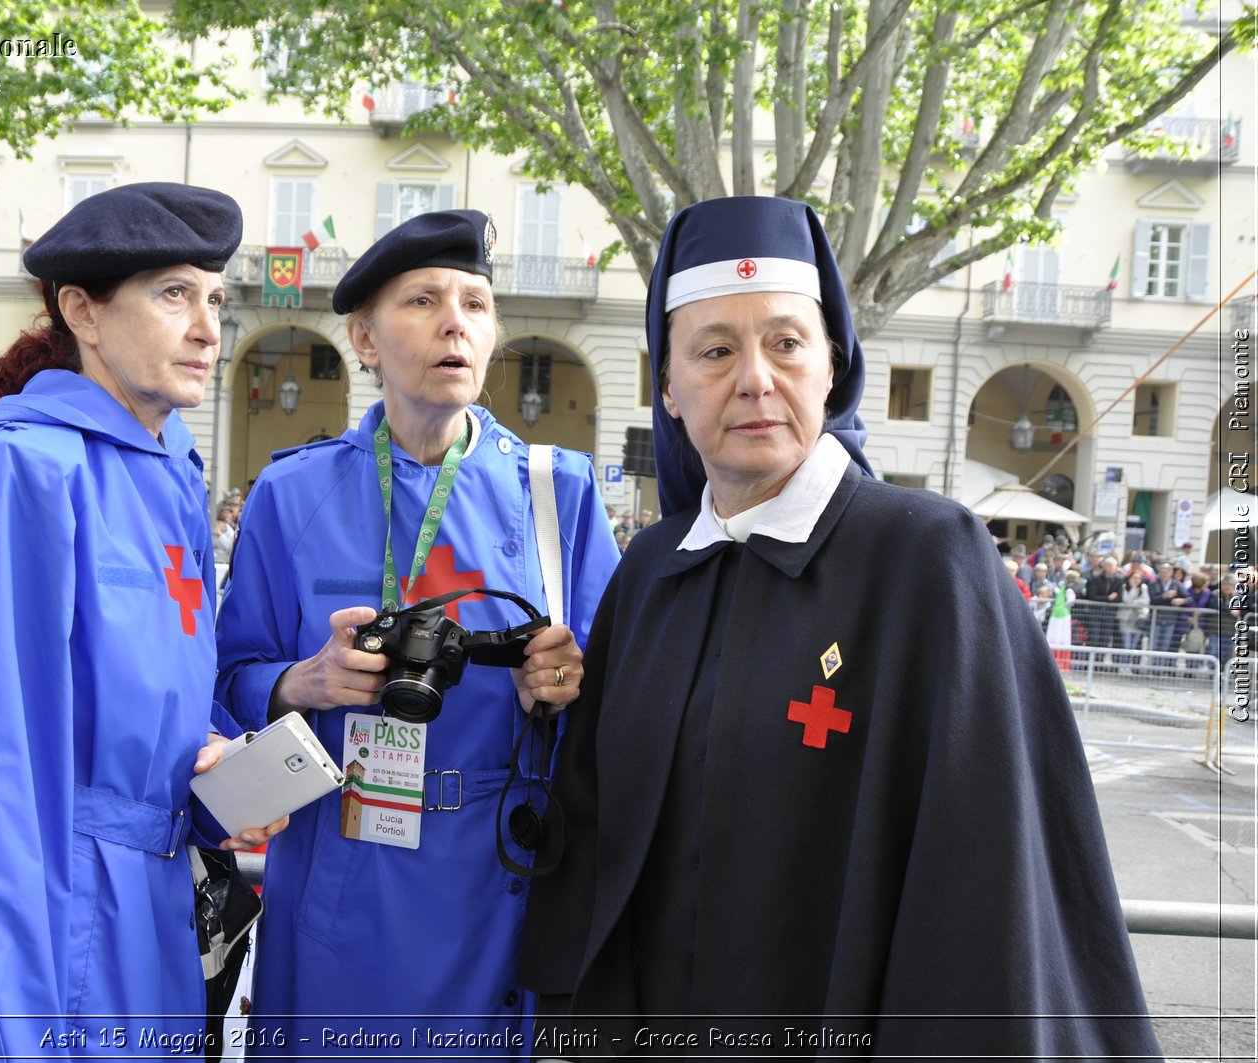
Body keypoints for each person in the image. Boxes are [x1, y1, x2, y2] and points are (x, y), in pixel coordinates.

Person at [518, 196, 1160, 1059]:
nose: (755, 378)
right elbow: (600, 837)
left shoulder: (929, 558)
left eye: (786, 342)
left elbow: (986, 889)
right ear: (666, 386)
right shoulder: (652, 570)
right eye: (714, 351)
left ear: (832, 365)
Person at [0, 183, 286, 1061]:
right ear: (81, 311)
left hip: (148, 929)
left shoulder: (170, 473)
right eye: (174, 294)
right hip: (39, 935)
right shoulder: (16, 473)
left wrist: (211, 764)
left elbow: (124, 708)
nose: (209, 327)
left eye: (216, 298)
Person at [215, 209, 621, 1058]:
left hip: (498, 879)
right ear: (364, 338)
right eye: (424, 301)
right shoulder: (291, 496)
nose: (455, 324)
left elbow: (622, 708)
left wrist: (564, 687)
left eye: (475, 303)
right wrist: (303, 681)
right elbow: (224, 679)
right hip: (338, 871)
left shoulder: (558, 494)